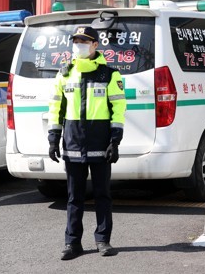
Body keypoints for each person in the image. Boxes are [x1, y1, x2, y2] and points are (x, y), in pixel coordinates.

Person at [48, 26, 127, 260]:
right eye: (76, 41)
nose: (79, 44)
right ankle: (72, 244)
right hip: (73, 144)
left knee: (103, 195)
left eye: (84, 41)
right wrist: (53, 139)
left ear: (95, 45)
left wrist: (115, 140)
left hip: (101, 144)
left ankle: (103, 240)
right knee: (74, 198)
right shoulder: (64, 74)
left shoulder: (110, 75)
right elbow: (55, 108)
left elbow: (119, 109)